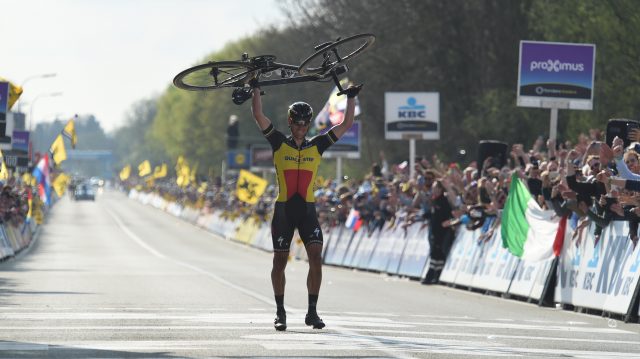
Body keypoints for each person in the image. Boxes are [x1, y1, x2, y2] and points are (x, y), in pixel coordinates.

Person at [250, 80, 362, 331]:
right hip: (284, 210)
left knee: (316, 257)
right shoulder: (278, 142)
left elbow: (345, 125)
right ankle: (280, 312)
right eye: (297, 122)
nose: (301, 127)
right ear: (290, 122)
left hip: (307, 211)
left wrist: (351, 98)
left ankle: (312, 312)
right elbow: (258, 114)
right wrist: (256, 89)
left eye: (305, 123)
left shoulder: (317, 145)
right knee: (279, 262)